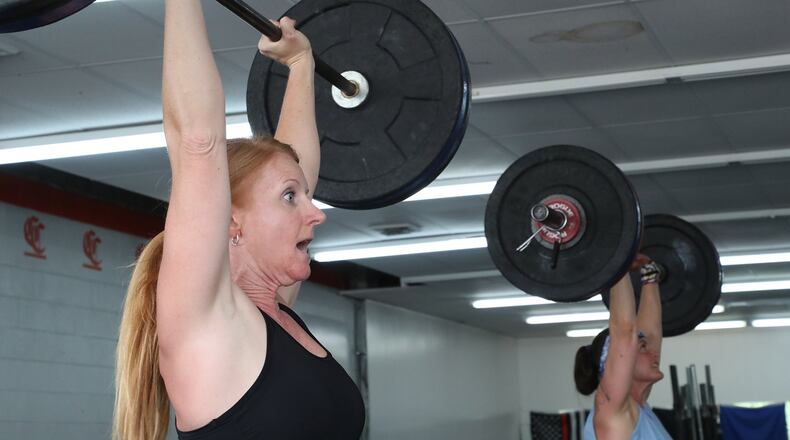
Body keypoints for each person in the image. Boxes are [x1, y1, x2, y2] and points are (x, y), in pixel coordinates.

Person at [112, 2, 365, 439]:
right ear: (231, 222)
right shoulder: (206, 323)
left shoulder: (276, 312)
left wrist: (301, 64)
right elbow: (197, 140)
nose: (316, 212)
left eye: (304, 196)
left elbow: (296, 166)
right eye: (291, 198)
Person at [574, 256, 670, 439]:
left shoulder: (639, 409)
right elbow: (625, 333)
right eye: (642, 348)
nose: (653, 353)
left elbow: (651, 333)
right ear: (618, 360)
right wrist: (618, 263)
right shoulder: (611, 410)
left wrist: (650, 273)